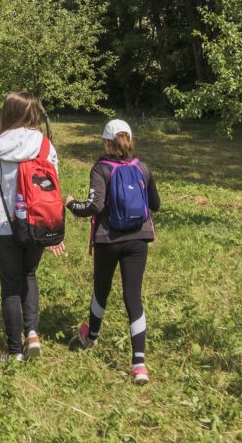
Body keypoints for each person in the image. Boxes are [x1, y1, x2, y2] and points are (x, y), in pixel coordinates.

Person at [0, 91, 64, 362]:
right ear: (33, 112)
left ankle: (14, 351)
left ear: (8, 112)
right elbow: (53, 188)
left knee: (11, 284)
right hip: (38, 224)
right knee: (29, 275)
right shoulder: (46, 146)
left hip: (4, 227)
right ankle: (32, 334)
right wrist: (54, 230)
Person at [65, 118, 160, 384]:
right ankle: (139, 364)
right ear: (130, 140)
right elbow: (156, 204)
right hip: (138, 240)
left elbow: (93, 207)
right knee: (133, 297)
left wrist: (71, 204)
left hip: (108, 240)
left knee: (101, 290)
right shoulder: (143, 168)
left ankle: (91, 338)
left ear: (107, 142)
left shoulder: (101, 168)